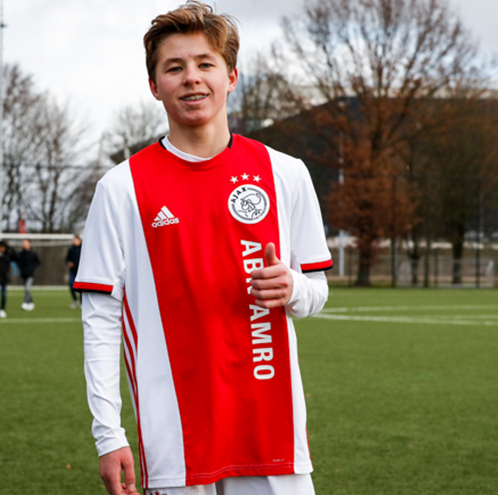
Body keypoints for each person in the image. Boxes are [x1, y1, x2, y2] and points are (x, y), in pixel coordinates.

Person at [75, 3, 332, 494]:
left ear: (231, 77)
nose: (191, 78)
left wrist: (293, 288)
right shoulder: (121, 188)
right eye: (174, 68)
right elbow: (101, 320)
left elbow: (316, 292)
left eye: (205, 64)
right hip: (173, 440)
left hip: (271, 435)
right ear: (155, 86)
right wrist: (108, 435)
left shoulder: (286, 173)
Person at [17, 239, 41, 311]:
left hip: (30, 274)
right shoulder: (21, 254)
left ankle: (26, 302)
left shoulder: (33, 253)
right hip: (24, 274)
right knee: (26, 289)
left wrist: (32, 268)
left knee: (27, 288)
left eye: (26, 243)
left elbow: (38, 262)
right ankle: (30, 302)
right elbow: (18, 262)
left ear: (29, 244)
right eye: (23, 243)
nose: (24, 245)